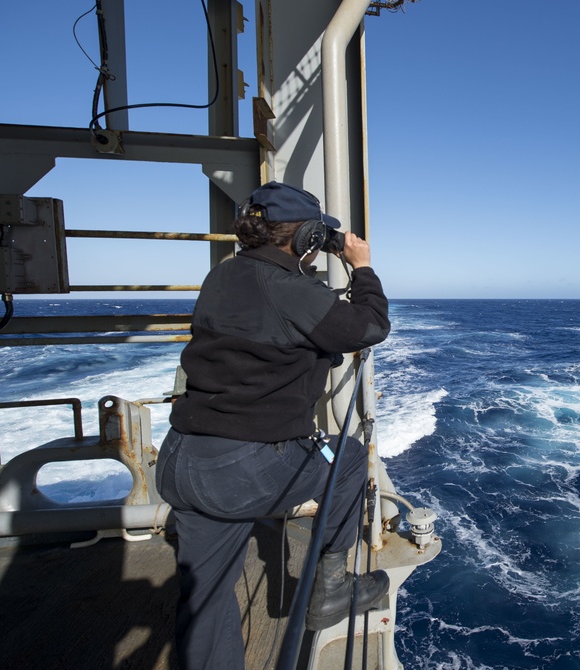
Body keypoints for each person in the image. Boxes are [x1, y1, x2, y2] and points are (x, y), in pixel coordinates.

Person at [155, 181, 391, 669]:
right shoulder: (289, 290)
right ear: (307, 236)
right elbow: (369, 328)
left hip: (182, 461)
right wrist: (361, 266)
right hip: (241, 469)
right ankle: (331, 587)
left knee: (206, 600)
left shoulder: (223, 276)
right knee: (345, 458)